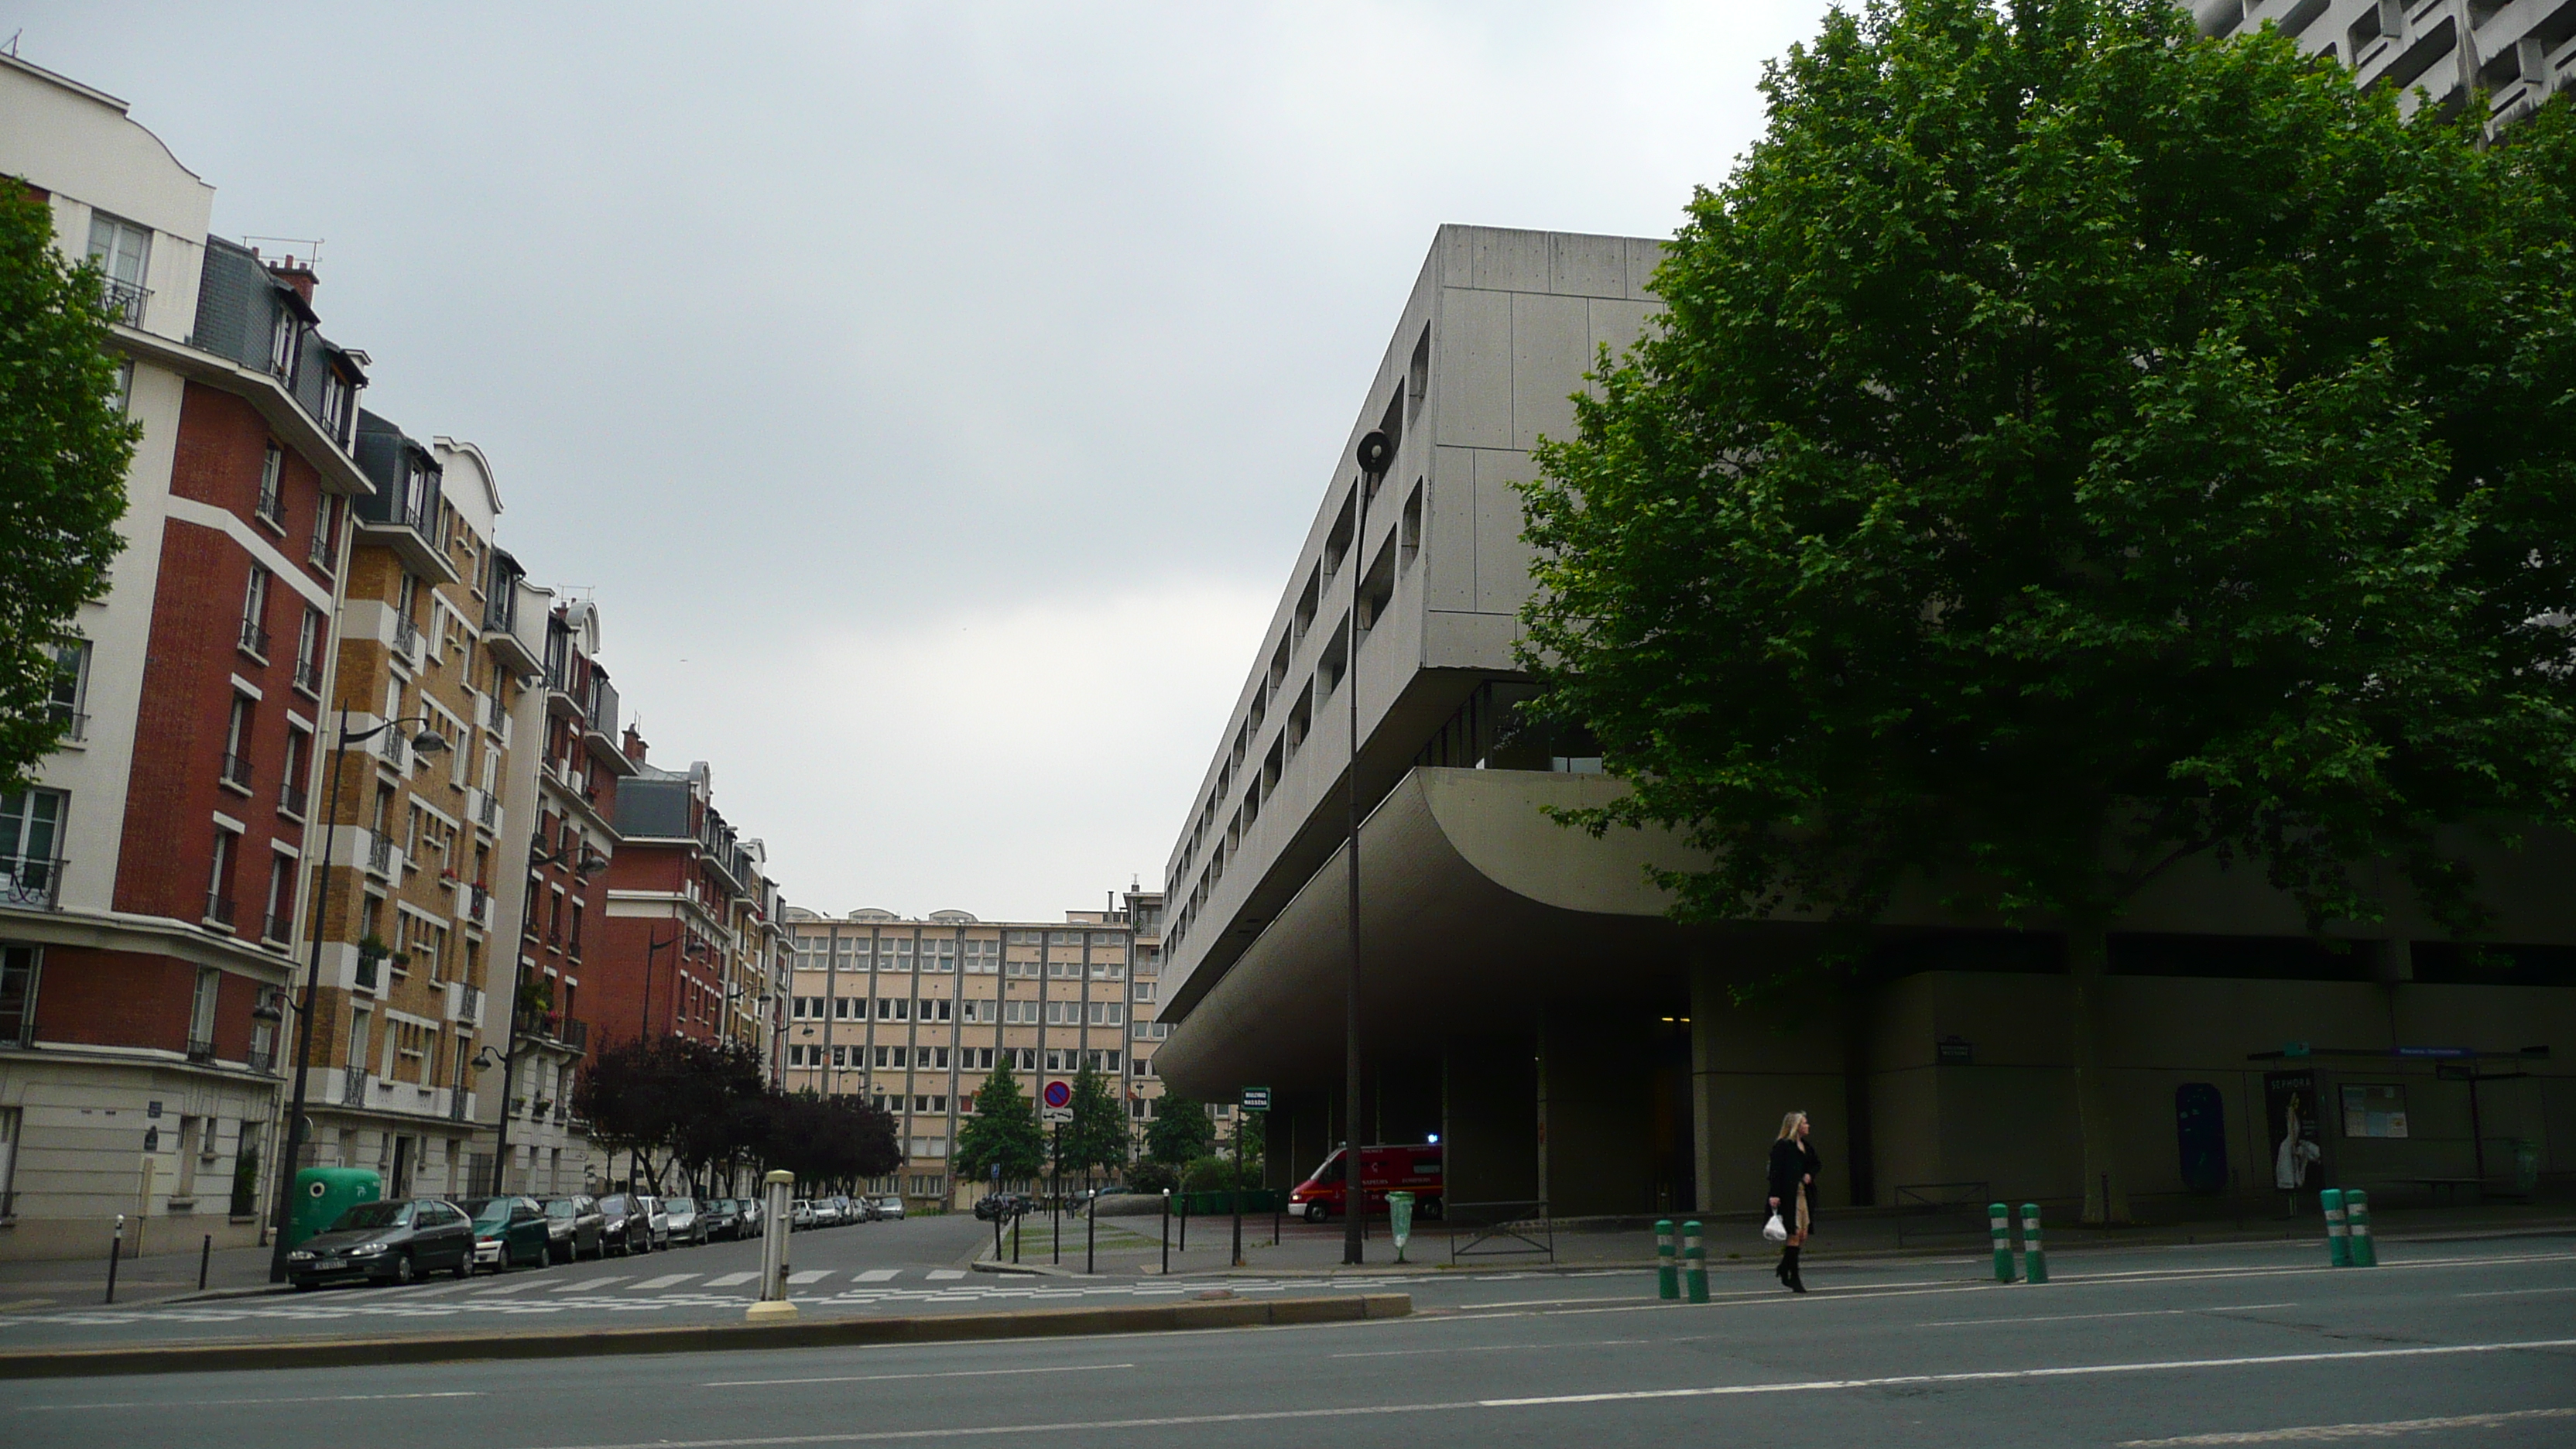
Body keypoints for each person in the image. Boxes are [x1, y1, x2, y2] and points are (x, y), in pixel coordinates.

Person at [1767, 1110, 1819, 1293]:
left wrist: (1809, 1175)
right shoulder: (1783, 1146)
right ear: (1796, 1126)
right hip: (1789, 1196)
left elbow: (1815, 1164)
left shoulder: (1805, 1146)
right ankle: (1794, 1276)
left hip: (1804, 1194)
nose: (1807, 1126)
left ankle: (1783, 1267)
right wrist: (1774, 1194)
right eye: (1804, 1123)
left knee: (1802, 1234)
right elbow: (1775, 1171)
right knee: (1794, 1233)